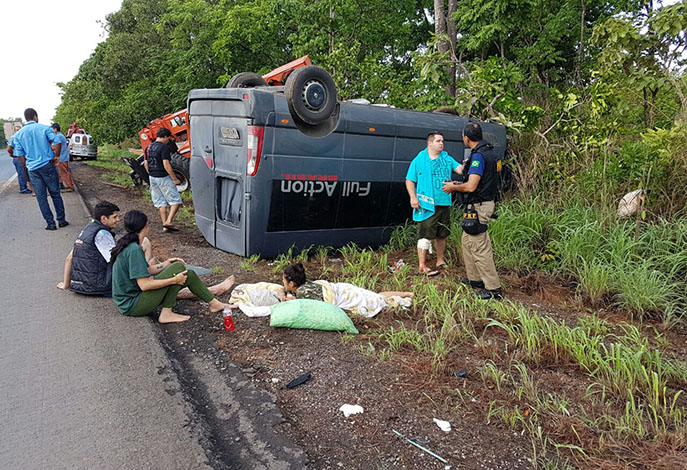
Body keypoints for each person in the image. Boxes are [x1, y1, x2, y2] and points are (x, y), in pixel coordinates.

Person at [111, 210, 232, 323]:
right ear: (145, 226)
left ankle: (214, 304)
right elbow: (144, 285)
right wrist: (174, 280)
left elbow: (146, 271)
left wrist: (166, 263)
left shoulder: (130, 245)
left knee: (188, 275)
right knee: (178, 269)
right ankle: (166, 313)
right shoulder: (134, 250)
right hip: (133, 305)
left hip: (131, 301)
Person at [442, 122, 502, 300]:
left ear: (466, 138)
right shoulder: (489, 152)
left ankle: (493, 289)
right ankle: (475, 279)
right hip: (478, 203)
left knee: (479, 246)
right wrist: (459, 185)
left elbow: (471, 186)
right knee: (468, 242)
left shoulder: (478, 157)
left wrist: (454, 187)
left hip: (479, 206)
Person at [405, 131, 463, 276]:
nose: (441, 143)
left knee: (442, 233)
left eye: (442, 141)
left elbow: (460, 170)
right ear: (429, 143)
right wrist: (413, 197)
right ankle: (422, 265)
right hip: (426, 203)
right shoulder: (419, 160)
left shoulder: (447, 159)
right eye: (438, 141)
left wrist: (472, 162)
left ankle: (440, 260)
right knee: (425, 234)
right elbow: (410, 180)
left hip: (444, 202)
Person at [282, 263, 413, 318]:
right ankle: (407, 293)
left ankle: (405, 299)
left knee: (377, 302)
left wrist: (289, 300)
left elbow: (305, 305)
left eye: (284, 280)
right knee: (375, 296)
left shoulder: (301, 292)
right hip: (342, 288)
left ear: (291, 283)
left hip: (341, 296)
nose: (282, 282)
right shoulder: (306, 284)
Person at [11, 108, 68, 230]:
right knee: (55, 194)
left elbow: (18, 153)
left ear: (26, 118)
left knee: (41, 197)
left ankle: (50, 224)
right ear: (35, 116)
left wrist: (27, 165)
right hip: (47, 165)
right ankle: (61, 220)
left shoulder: (18, 134)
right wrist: (57, 156)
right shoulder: (45, 128)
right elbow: (58, 140)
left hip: (33, 169)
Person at [144, 128, 183, 233]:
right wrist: (174, 179)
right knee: (176, 201)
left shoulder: (148, 147)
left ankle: (165, 226)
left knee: (161, 203)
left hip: (152, 177)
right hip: (163, 177)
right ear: (165, 136)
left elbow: (146, 164)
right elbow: (166, 164)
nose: (168, 140)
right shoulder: (163, 148)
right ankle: (168, 222)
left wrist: (151, 174)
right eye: (168, 138)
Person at [6, 124, 33, 194]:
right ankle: (23, 188)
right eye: (17, 130)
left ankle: (26, 187)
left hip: (23, 157)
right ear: (15, 131)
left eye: (19, 130)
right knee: (21, 173)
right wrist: (12, 154)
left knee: (25, 172)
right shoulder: (13, 138)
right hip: (18, 157)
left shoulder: (22, 137)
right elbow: (9, 148)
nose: (18, 131)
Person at [51, 123, 75, 191]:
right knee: (60, 172)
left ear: (55, 129)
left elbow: (54, 147)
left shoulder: (58, 136)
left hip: (61, 157)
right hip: (62, 157)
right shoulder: (60, 136)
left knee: (64, 172)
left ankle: (69, 186)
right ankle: (61, 185)